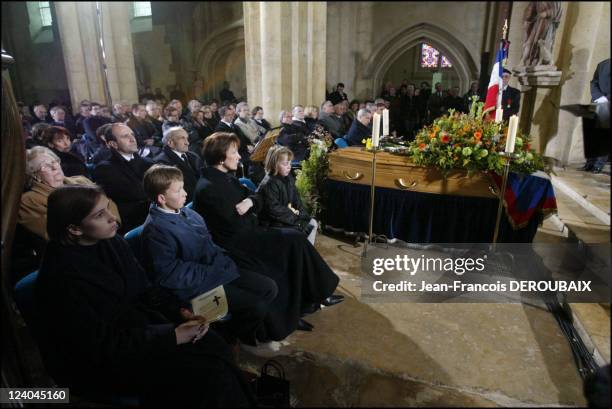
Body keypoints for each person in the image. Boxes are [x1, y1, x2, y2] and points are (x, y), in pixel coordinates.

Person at [35, 184, 255, 407]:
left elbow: (146, 290)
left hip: (140, 332)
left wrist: (180, 313)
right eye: (100, 215)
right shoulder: (61, 279)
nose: (114, 219)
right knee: (208, 374)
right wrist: (172, 336)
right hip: (108, 362)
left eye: (108, 208)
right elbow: (98, 346)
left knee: (214, 344)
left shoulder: (112, 242)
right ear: (74, 229)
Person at [193, 132, 344, 337]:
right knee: (291, 242)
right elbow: (237, 224)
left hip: (250, 233)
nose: (239, 157)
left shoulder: (225, 178)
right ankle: (293, 314)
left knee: (295, 240)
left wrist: (251, 203)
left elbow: (255, 198)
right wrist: (254, 207)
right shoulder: (209, 187)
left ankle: (313, 298)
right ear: (220, 158)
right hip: (237, 246)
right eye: (234, 152)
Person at [141, 165, 278, 345]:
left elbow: (209, 243)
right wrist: (212, 269)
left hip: (217, 269)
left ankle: (246, 328)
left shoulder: (186, 212)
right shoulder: (155, 230)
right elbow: (170, 274)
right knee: (257, 305)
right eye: (178, 190)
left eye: (183, 187)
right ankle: (230, 336)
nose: (185, 193)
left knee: (269, 287)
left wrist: (223, 261)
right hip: (197, 286)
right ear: (161, 198)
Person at [18, 146, 120, 241]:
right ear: (35, 175)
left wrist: (111, 225)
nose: (55, 167)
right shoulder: (28, 201)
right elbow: (55, 232)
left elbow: (109, 204)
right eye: (45, 165)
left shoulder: (81, 181)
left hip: (112, 235)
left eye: (55, 161)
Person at [92, 123, 154, 234]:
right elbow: (137, 193)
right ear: (113, 144)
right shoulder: (104, 169)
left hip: (155, 214)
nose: (132, 139)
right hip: (134, 222)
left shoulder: (148, 162)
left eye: (132, 135)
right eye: (125, 136)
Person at [257, 146, 318, 245]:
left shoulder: (288, 178)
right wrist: (298, 221)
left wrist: (303, 216)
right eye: (285, 164)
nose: (289, 166)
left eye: (290, 163)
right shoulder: (269, 183)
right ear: (274, 165)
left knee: (312, 223)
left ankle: (306, 252)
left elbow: (297, 200)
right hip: (271, 223)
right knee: (301, 230)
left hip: (286, 217)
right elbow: (274, 210)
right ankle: (303, 253)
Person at [153, 127, 203, 203]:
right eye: (182, 138)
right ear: (170, 143)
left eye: (187, 138)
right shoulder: (162, 162)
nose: (187, 143)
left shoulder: (193, 156)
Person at [580, 58, 610, 173]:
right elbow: (594, 81)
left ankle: (599, 165)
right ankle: (589, 163)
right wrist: (598, 96)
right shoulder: (602, 64)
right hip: (597, 101)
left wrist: (606, 98)